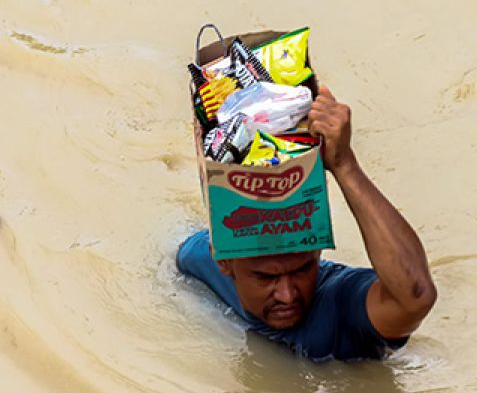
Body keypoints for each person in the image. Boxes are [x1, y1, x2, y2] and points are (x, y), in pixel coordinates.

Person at [176, 86, 437, 361]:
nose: (288, 296)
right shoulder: (196, 258)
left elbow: (415, 295)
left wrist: (344, 164)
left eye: (302, 270)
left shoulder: (340, 307)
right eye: (266, 277)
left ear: (317, 253)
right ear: (224, 263)